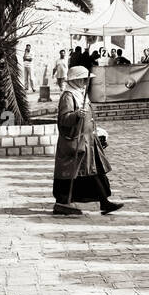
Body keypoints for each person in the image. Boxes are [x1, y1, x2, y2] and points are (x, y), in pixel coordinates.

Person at [53, 65, 123, 216]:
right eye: (83, 79)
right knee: (71, 173)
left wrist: (96, 131)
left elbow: (89, 117)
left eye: (87, 79)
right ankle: (62, 203)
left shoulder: (81, 93)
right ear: (76, 80)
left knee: (94, 171)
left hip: (88, 140)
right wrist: (76, 114)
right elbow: (64, 119)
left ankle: (104, 202)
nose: (86, 82)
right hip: (75, 141)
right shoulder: (68, 96)